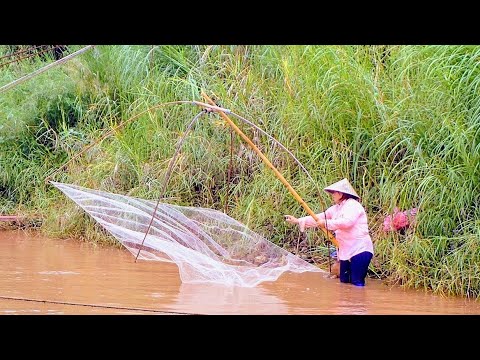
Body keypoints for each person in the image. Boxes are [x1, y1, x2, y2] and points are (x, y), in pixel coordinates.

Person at [284, 178, 374, 286]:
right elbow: (319, 218)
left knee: (356, 281)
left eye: (334, 193)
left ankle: (359, 301)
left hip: (360, 249)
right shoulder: (336, 208)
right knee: (344, 281)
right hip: (345, 249)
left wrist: (325, 223)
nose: (332, 195)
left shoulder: (353, 205)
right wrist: (297, 220)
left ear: (340, 194)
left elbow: (347, 222)